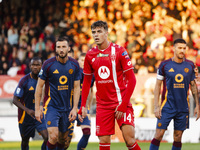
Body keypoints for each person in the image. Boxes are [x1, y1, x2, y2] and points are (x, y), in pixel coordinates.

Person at [78, 20, 141, 150]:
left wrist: (123, 105)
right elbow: (86, 82)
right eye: (94, 32)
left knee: (129, 140)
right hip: (103, 105)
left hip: (120, 102)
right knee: (104, 140)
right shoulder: (90, 55)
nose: (96, 35)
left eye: (99, 32)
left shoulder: (119, 51)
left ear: (106, 33)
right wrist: (83, 105)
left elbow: (132, 80)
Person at [149, 38, 200, 150]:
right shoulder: (164, 65)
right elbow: (158, 86)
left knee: (178, 137)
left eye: (184, 48)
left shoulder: (190, 65)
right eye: (179, 48)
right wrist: (156, 106)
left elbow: (193, 86)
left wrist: (197, 105)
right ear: (174, 49)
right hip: (167, 106)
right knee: (159, 134)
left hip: (183, 107)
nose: (182, 51)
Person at [35, 36, 81, 150]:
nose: (61, 49)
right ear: (55, 49)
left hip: (67, 108)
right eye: (59, 47)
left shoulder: (75, 65)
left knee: (62, 139)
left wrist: (75, 108)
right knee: (53, 136)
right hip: (52, 106)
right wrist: (37, 108)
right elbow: (39, 86)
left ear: (68, 48)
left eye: (64, 47)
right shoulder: (48, 64)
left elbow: (76, 88)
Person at [13, 57, 48, 150]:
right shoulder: (24, 81)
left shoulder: (45, 80)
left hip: (41, 115)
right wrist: (27, 110)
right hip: (26, 117)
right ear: (30, 66)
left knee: (48, 138)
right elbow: (15, 99)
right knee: (25, 141)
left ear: (42, 66)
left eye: (38, 65)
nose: (35, 67)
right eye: (33, 65)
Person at [65, 52, 95, 150]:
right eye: (82, 60)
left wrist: (88, 106)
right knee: (66, 140)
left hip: (83, 108)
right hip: (70, 108)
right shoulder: (72, 73)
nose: (84, 63)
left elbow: (91, 92)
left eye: (86, 61)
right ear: (78, 61)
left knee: (87, 133)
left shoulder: (91, 75)